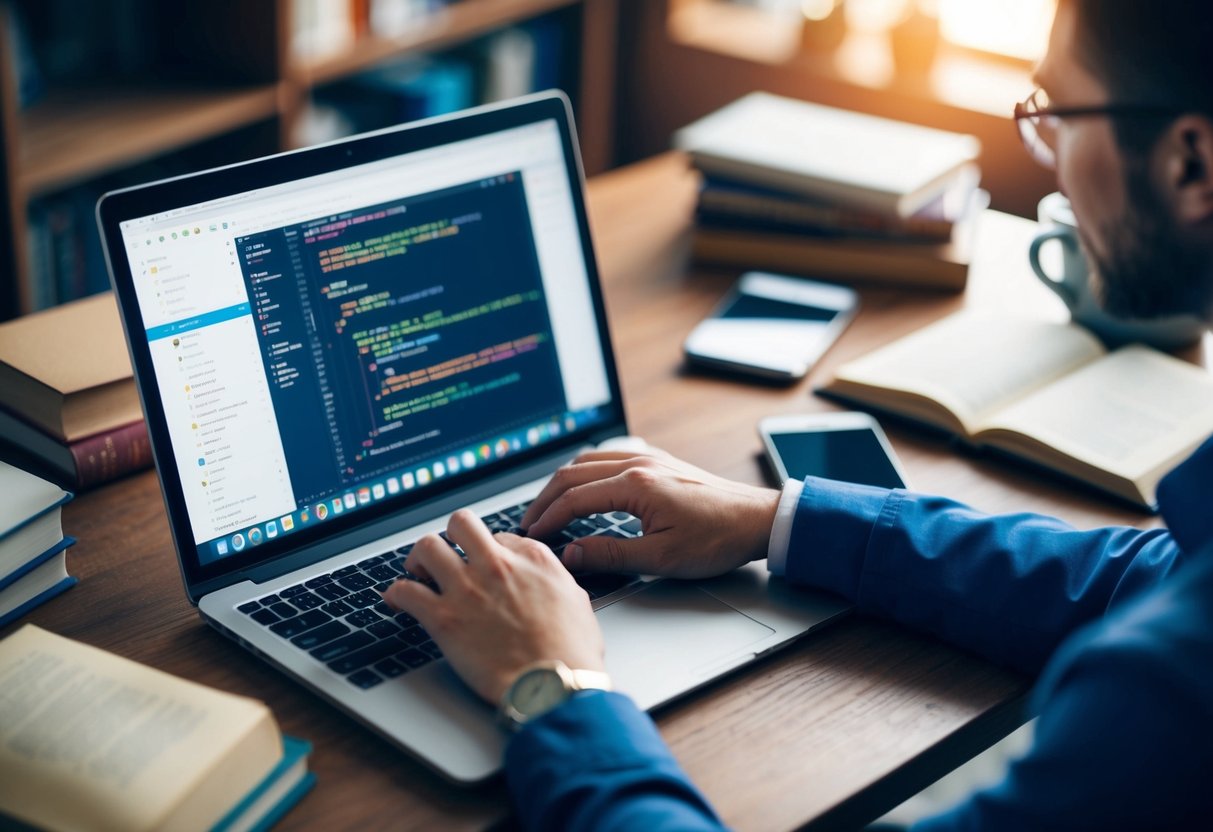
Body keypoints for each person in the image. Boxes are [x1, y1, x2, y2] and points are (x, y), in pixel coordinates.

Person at [383, 1, 1213, 828]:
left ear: (1190, 163)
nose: (1054, 162)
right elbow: (1147, 573)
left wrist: (551, 689)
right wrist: (776, 519)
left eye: (1059, 115)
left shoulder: (1166, 694)